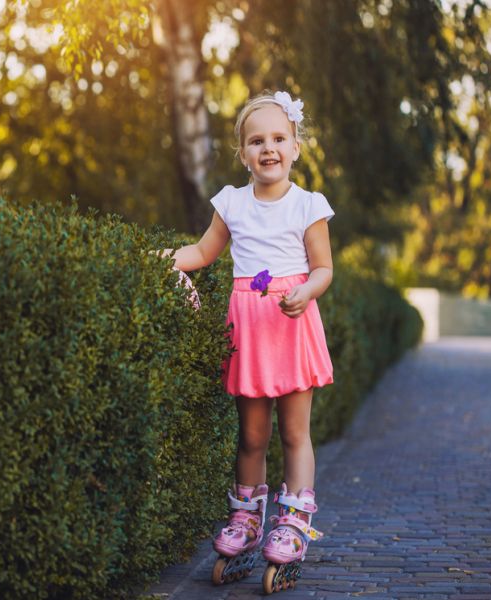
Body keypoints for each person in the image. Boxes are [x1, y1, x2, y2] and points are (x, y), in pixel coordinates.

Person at [161, 91, 333, 590]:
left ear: (296, 147)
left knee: (294, 433)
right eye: (257, 141)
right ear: (243, 154)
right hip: (250, 333)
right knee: (252, 436)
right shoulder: (231, 202)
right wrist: (161, 257)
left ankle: (295, 522)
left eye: (279, 138)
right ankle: (247, 519)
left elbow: (323, 268)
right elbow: (201, 251)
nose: (269, 148)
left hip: (293, 325)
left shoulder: (308, 205)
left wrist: (305, 290)